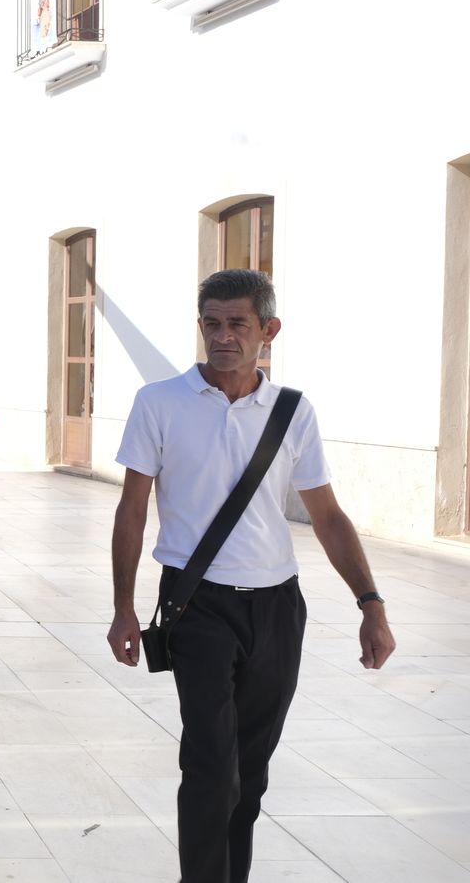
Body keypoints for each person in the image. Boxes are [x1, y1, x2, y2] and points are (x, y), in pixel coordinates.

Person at [106, 269, 396, 883]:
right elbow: (132, 509)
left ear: (269, 330)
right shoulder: (159, 402)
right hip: (196, 605)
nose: (223, 337)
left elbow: (327, 514)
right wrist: (124, 606)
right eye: (212, 323)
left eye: (238, 324)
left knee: (250, 772)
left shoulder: (293, 411)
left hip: (276, 609)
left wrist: (370, 603)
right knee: (211, 766)